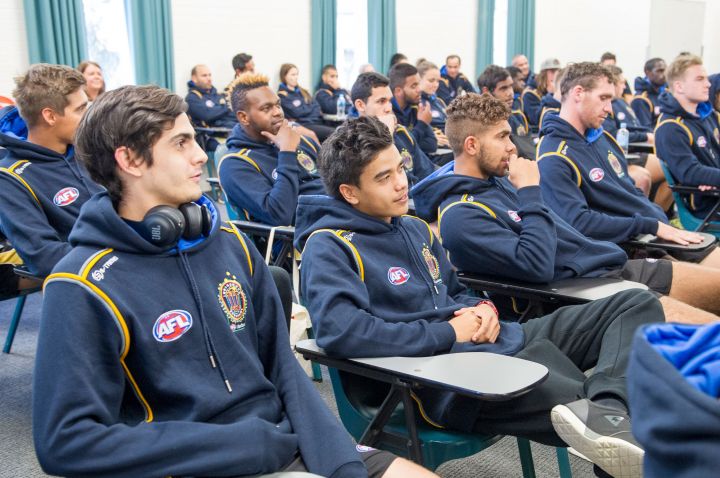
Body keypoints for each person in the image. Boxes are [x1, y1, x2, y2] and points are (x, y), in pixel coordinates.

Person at [33, 84, 433, 478]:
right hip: (198, 462)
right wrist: (243, 446)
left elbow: (283, 368)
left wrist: (342, 462)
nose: (199, 155)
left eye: (194, 139)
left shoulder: (230, 243)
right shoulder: (81, 285)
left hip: (280, 439)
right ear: (131, 160)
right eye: (181, 143)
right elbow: (66, 442)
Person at [295, 115, 665, 478]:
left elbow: (457, 292)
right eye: (383, 177)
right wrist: (448, 333)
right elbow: (342, 332)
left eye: (400, 169)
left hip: (494, 340)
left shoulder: (413, 228)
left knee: (636, 303)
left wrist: (483, 307)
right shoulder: (329, 246)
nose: (401, 184)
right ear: (350, 192)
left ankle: (610, 405)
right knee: (599, 417)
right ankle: (611, 418)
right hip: (441, 381)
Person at [411, 93, 720, 323]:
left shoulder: (498, 181)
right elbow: (537, 266)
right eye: (502, 137)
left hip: (609, 268)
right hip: (581, 295)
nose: (512, 146)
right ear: (471, 145)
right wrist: (530, 191)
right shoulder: (460, 217)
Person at [536, 62, 720, 268]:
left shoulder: (603, 138)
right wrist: (649, 225)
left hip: (650, 238)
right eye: (603, 98)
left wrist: (656, 218)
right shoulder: (554, 156)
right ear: (578, 93)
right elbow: (579, 223)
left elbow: (630, 191)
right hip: (622, 253)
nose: (609, 109)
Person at [0, 63, 102, 278]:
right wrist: (120, 252)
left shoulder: (87, 150)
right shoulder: (10, 179)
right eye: (80, 109)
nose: (88, 116)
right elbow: (45, 257)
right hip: (95, 277)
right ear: (50, 116)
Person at [219, 73, 324, 226]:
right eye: (266, 108)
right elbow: (280, 215)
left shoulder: (299, 140)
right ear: (244, 117)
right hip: (306, 234)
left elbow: (336, 179)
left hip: (339, 214)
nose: (278, 112)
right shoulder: (234, 164)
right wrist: (286, 152)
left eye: (278, 105)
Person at [655, 54, 720, 220]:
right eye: (700, 79)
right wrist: (708, 178)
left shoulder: (708, 115)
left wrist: (711, 178)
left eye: (706, 78)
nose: (708, 84)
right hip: (708, 208)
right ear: (679, 86)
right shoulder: (670, 127)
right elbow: (690, 173)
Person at [603, 65, 672, 209]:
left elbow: (635, 127)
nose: (624, 87)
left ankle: (659, 213)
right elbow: (614, 134)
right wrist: (645, 136)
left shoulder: (621, 102)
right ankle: (653, 214)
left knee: (674, 168)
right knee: (670, 167)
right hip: (626, 153)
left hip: (636, 151)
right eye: (621, 83)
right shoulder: (607, 106)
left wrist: (650, 134)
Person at [351, 72, 435, 186]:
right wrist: (387, 135)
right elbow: (381, 184)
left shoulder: (401, 133)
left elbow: (428, 174)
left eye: (389, 101)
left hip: (416, 194)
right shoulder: (351, 143)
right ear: (360, 105)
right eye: (381, 101)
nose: (388, 108)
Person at [185, 64, 237, 152]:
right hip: (209, 137)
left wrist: (218, 110)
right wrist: (226, 108)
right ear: (194, 78)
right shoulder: (192, 98)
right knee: (228, 149)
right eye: (204, 75)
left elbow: (233, 114)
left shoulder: (218, 95)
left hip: (230, 130)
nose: (209, 78)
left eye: (210, 75)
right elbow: (207, 115)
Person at [389, 62, 439, 154]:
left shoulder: (416, 108)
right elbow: (402, 148)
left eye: (419, 84)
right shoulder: (388, 113)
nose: (419, 89)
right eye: (414, 86)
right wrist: (422, 124)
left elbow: (432, 145)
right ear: (398, 91)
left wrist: (412, 139)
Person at [278, 63, 335, 142]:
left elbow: (317, 107)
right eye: (293, 75)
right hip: (304, 125)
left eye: (297, 74)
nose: (296, 77)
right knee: (334, 133)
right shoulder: (282, 96)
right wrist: (309, 108)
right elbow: (297, 113)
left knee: (339, 129)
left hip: (317, 121)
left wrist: (304, 110)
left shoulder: (304, 91)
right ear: (284, 76)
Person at [522, 58, 560, 131]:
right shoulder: (529, 93)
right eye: (552, 72)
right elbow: (535, 119)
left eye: (558, 71)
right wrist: (551, 95)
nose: (556, 75)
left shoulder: (557, 89)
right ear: (543, 74)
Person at [631, 58, 667, 128]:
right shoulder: (641, 99)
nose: (664, 74)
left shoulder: (667, 93)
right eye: (660, 71)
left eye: (665, 71)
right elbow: (645, 130)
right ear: (647, 73)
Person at [417, 60, 448, 132]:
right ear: (419, 79)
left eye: (438, 81)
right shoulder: (416, 104)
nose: (435, 85)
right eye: (431, 81)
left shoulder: (439, 102)